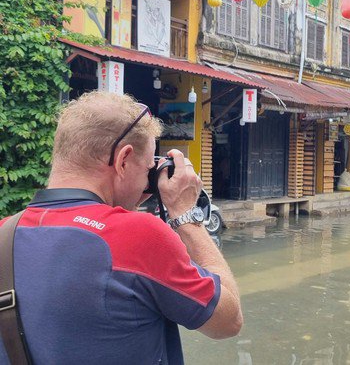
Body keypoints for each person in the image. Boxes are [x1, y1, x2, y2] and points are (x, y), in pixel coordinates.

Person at [0, 91, 242, 364]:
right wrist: (187, 216)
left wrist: (123, 203)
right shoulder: (139, 236)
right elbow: (228, 320)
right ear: (123, 160)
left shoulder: (4, 233)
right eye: (148, 168)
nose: (146, 184)